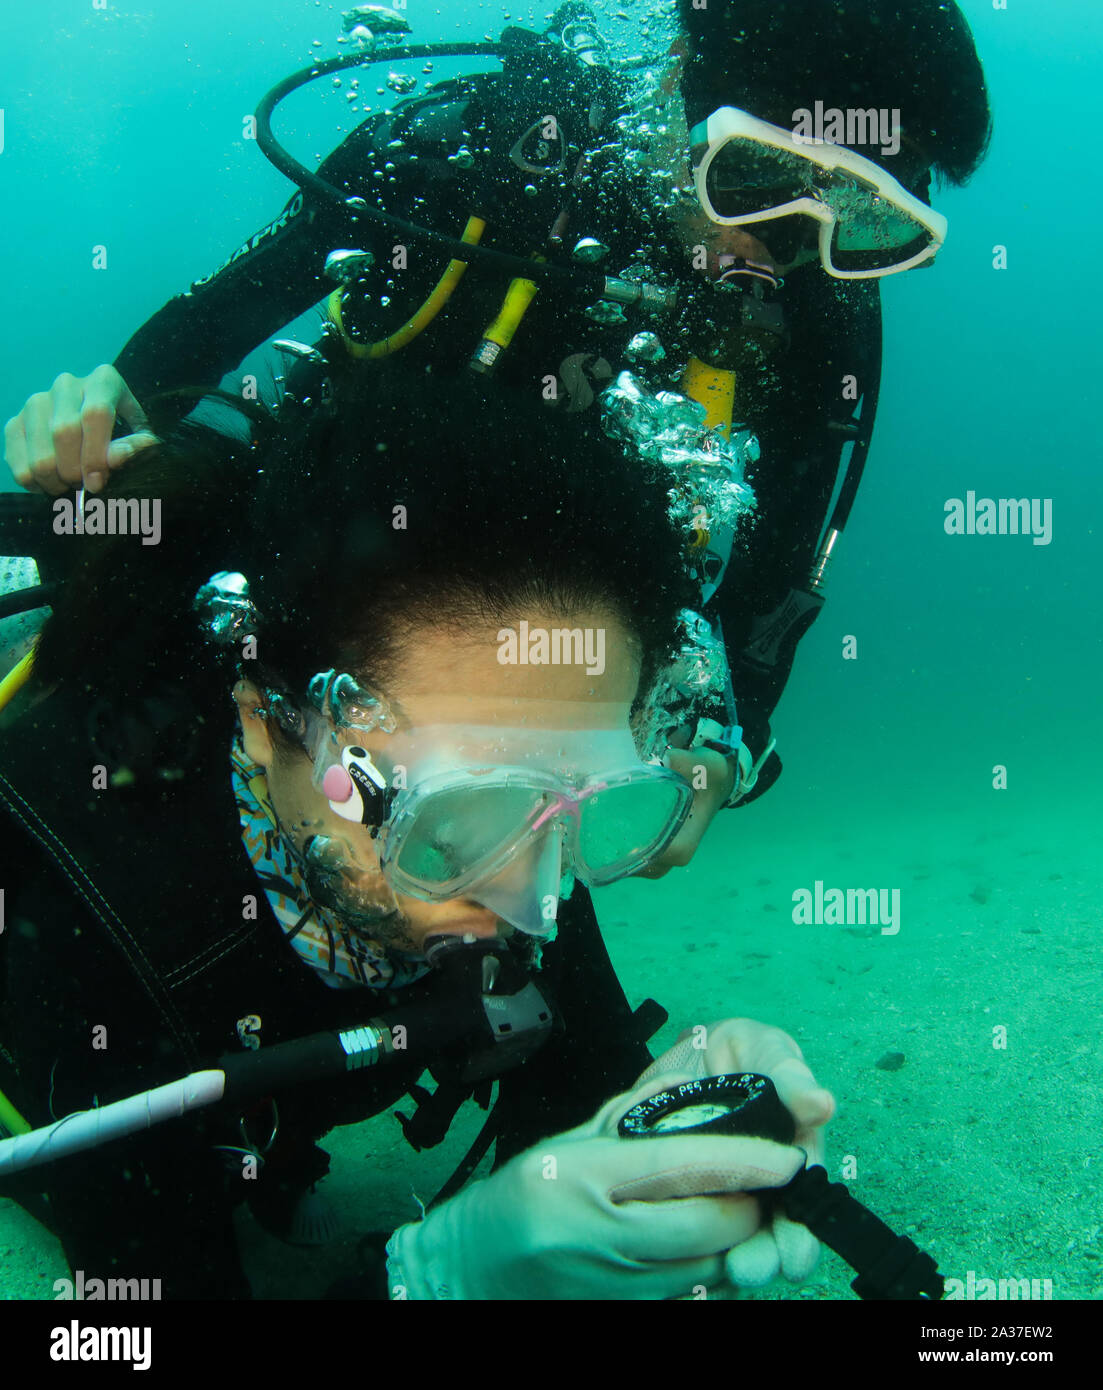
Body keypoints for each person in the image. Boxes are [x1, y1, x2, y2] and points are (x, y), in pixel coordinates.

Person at [1, 0, 993, 810]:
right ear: (674, 77)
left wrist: (720, 732)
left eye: (864, 215)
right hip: (306, 566)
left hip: (517, 703)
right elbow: (213, 323)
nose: (785, 243)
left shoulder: (823, 304)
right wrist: (101, 407)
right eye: (757, 178)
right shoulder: (471, 152)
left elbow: (778, 567)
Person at [0, 382, 834, 1299]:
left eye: (585, 807)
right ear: (267, 721)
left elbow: (581, 1110)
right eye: (458, 815)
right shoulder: (88, 892)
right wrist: (428, 1276)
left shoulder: (515, 840)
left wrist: (667, 1126)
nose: (534, 903)